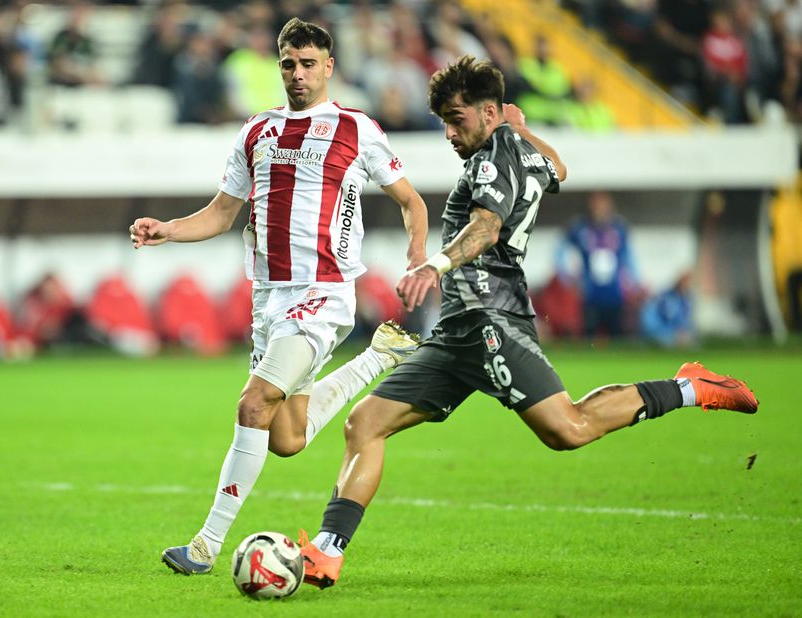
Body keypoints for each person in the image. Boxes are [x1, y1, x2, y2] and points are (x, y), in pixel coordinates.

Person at [297, 55, 758, 589]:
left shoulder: (492, 157)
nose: (449, 132)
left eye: (457, 118)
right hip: (458, 329)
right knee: (365, 424)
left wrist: (435, 263)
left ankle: (691, 388)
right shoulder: (517, 146)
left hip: (491, 319)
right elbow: (559, 170)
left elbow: (487, 228)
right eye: (444, 121)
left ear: (488, 111)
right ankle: (327, 554)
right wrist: (522, 129)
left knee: (569, 428)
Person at [129, 17, 429, 575]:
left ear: (329, 67)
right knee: (286, 438)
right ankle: (378, 358)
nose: (297, 74)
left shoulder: (355, 128)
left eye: (308, 64)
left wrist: (418, 256)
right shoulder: (257, 132)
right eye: (288, 63)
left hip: (323, 291)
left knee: (252, 402)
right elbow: (221, 213)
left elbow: (412, 202)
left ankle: (205, 545)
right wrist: (169, 228)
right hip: (268, 299)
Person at [556, 191, 639, 339]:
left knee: (617, 338)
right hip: (590, 295)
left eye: (602, 204)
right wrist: (567, 277)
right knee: (589, 337)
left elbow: (629, 257)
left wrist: (633, 282)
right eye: (595, 204)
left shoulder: (619, 228)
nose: (598, 208)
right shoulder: (580, 228)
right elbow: (561, 251)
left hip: (615, 294)